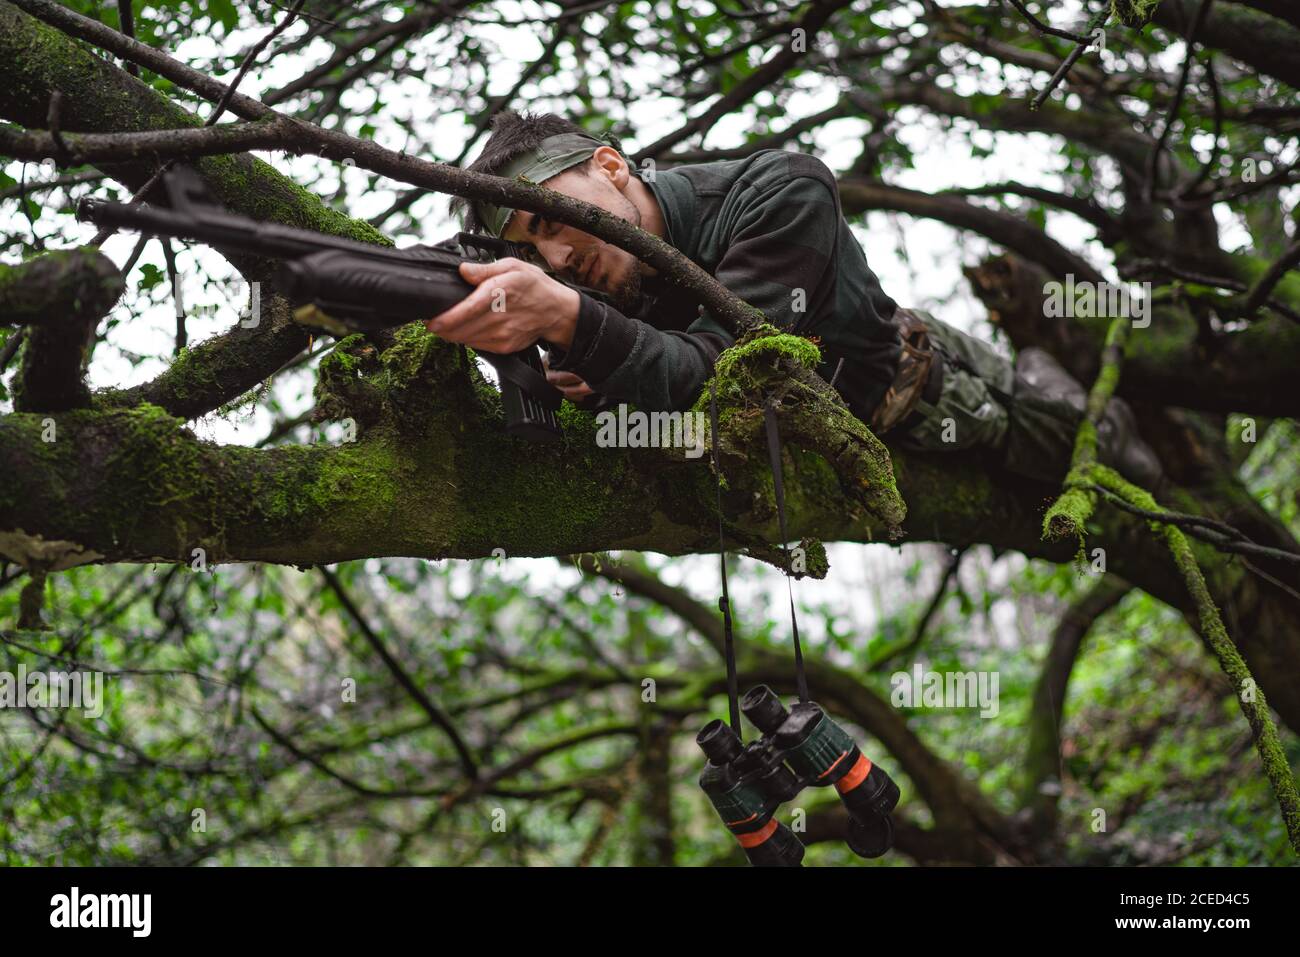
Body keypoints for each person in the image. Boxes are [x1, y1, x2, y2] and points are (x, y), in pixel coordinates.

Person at [427, 111, 1161, 487]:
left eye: (554, 221)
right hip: (855, 359)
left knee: (1084, 454)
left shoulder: (781, 189)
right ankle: (1039, 365)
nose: (556, 257)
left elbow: (727, 367)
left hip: (920, 388)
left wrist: (576, 322)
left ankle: (1106, 417)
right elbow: (661, 413)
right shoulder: (601, 277)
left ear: (611, 166)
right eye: (531, 248)